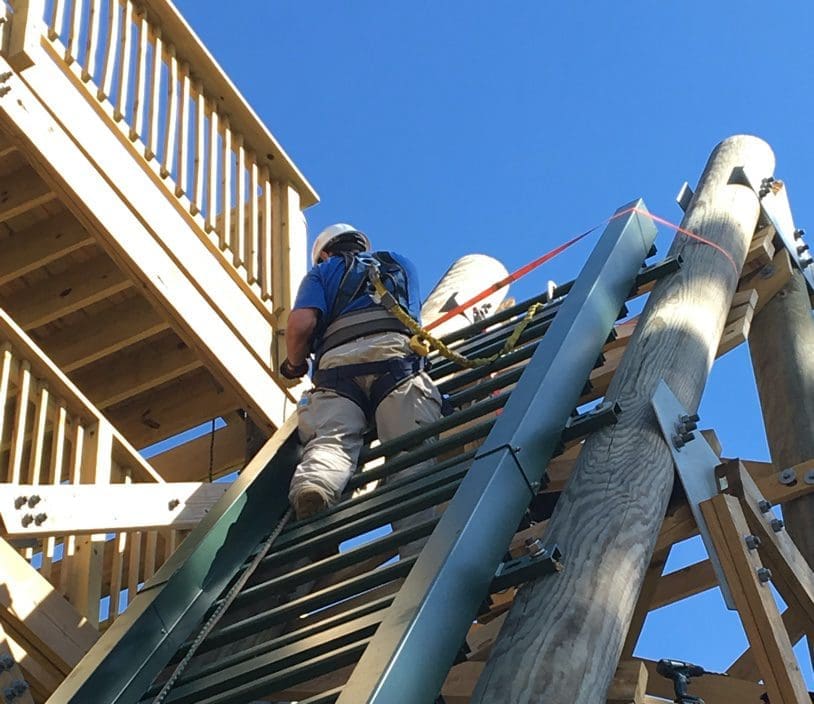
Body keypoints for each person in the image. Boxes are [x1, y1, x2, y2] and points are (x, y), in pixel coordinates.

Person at [280, 223, 443, 523]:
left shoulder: (322, 271)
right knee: (411, 454)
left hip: (338, 370)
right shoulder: (400, 264)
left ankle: (315, 484)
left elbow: (301, 324)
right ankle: (416, 550)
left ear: (325, 254)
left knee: (331, 440)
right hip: (397, 362)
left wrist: (294, 365)